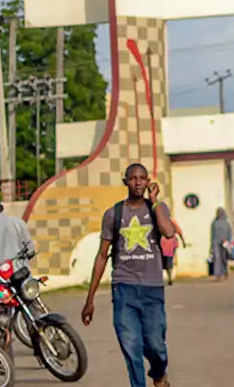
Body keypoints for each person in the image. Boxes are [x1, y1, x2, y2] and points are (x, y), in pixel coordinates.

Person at [81, 163, 176, 387]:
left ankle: (159, 375)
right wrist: (90, 300)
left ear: (147, 181)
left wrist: (155, 201)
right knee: (131, 347)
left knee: (156, 346)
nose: (137, 182)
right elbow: (102, 256)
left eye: (142, 178)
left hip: (152, 288)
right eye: (133, 178)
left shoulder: (156, 210)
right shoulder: (113, 214)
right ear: (125, 182)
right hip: (124, 288)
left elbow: (169, 232)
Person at [159, 216, 186, 286]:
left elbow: (179, 231)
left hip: (170, 245)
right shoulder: (159, 221)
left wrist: (183, 242)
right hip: (162, 245)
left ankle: (170, 278)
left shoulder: (172, 221)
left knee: (168, 262)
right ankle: (165, 277)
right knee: (162, 263)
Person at [209, 209, 232, 282]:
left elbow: (229, 233)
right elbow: (212, 234)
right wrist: (211, 245)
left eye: (220, 213)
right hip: (216, 242)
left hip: (224, 243)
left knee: (223, 258)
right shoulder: (214, 223)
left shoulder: (226, 223)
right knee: (217, 258)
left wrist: (227, 240)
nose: (218, 214)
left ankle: (225, 272)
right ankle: (218, 275)